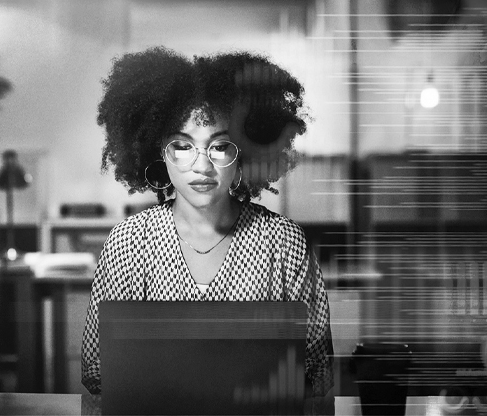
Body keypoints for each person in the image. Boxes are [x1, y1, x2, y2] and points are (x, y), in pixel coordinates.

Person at [81, 46, 334, 412]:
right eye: (182, 145)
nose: (201, 166)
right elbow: (97, 374)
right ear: (159, 151)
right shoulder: (128, 243)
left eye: (219, 146)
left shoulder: (284, 243)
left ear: (245, 152)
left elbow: (318, 374)